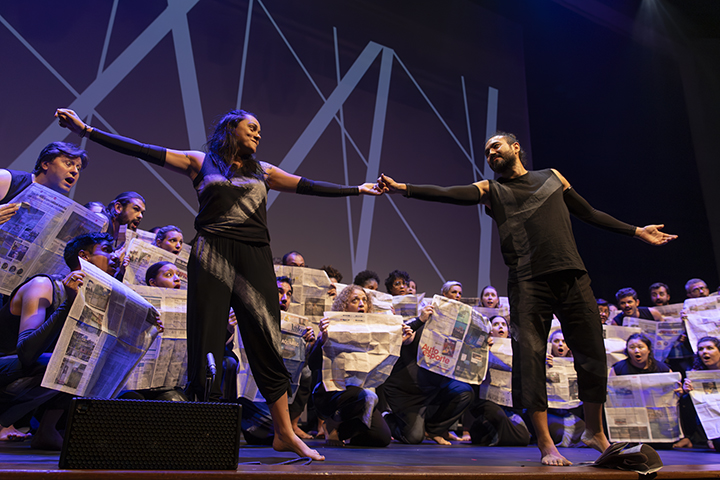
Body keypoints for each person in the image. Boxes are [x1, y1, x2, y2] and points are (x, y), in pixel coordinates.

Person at [56, 107, 382, 460]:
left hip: (255, 256)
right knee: (206, 340)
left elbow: (309, 186)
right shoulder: (201, 162)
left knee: (266, 340)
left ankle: (285, 433)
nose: (258, 135)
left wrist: (356, 190)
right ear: (231, 129)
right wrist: (86, 130)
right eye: (251, 128)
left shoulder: (265, 171)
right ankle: (201, 431)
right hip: (212, 252)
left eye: (259, 130)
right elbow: (142, 148)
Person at [379, 131, 677, 465]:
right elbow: (449, 194)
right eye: (487, 151)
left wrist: (636, 231)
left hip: (572, 275)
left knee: (592, 353)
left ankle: (595, 432)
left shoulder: (552, 177)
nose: (491, 153)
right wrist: (403, 189)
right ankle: (547, 444)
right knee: (530, 359)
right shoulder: (492, 190)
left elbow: (589, 213)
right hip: (527, 282)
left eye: (497, 146)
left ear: (515, 148)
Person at [0, 232, 120, 449]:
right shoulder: (43, 285)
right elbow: (26, 353)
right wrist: (67, 305)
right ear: (84, 257)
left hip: (27, 372)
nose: (116, 257)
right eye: (107, 250)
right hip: (7, 365)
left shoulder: (92, 299)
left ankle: (47, 430)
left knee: (89, 362)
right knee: (66, 364)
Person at [310, 285, 394, 447]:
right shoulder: (331, 327)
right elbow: (313, 364)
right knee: (369, 396)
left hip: (360, 391)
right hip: (333, 393)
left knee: (381, 438)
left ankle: (346, 431)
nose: (361, 303)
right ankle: (333, 424)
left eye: (364, 300)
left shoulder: (375, 332)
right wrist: (323, 340)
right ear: (344, 306)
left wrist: (398, 339)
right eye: (355, 300)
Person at [0, 142, 88, 225]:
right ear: (45, 164)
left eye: (78, 168)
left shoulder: (56, 209)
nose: (75, 171)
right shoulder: (6, 179)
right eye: (68, 164)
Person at [675, 336, 720, 450]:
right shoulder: (696, 374)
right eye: (701, 349)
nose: (704, 352)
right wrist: (686, 392)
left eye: (710, 348)